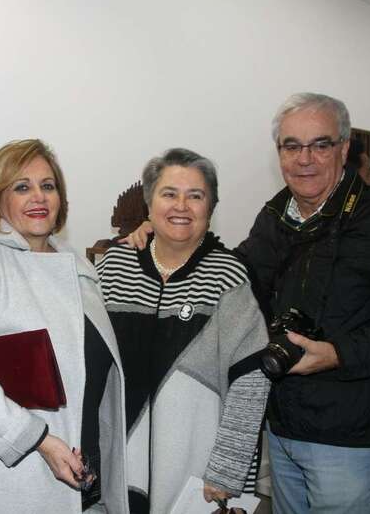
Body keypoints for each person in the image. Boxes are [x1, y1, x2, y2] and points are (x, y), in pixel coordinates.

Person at [122, 93, 370, 513]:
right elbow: (233, 276)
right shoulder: (275, 214)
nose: (305, 159)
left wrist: (340, 353)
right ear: (279, 153)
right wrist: (164, 232)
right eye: (291, 146)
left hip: (348, 437)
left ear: (343, 148)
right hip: (282, 428)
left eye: (320, 144)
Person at [0, 139, 129, 514]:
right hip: (8, 485)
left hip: (83, 486)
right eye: (22, 186)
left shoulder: (81, 270)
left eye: (47, 186)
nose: (38, 196)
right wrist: (39, 439)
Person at [97, 148, 270, 513]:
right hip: (119, 467)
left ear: (211, 207)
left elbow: (250, 380)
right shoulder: (113, 266)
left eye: (195, 196)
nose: (181, 206)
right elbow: (89, 368)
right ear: (149, 204)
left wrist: (227, 471)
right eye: (169, 194)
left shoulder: (228, 276)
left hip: (199, 476)